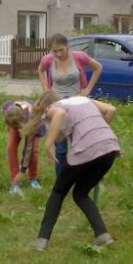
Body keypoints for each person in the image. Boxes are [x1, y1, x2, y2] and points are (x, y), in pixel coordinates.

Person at [24, 91, 120, 251]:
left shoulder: (56, 107)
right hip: (109, 146)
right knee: (80, 193)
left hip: (87, 147)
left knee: (58, 191)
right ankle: (102, 235)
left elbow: (59, 114)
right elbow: (111, 109)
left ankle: (42, 240)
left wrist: (48, 144)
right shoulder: (83, 100)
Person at [37, 33, 103, 177]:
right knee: (60, 148)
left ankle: (83, 178)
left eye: (61, 50)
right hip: (58, 107)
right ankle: (61, 182)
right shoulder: (49, 60)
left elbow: (98, 68)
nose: (58, 54)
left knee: (80, 145)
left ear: (68, 47)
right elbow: (40, 70)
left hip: (77, 106)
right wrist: (46, 89)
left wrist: (87, 90)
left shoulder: (79, 57)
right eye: (55, 51)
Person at [3, 99, 45, 193]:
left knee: (32, 152)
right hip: (17, 119)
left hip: (31, 123)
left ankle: (33, 179)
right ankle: (15, 182)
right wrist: (11, 126)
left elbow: (28, 149)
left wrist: (22, 171)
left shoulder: (31, 118)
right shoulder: (7, 108)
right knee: (11, 148)